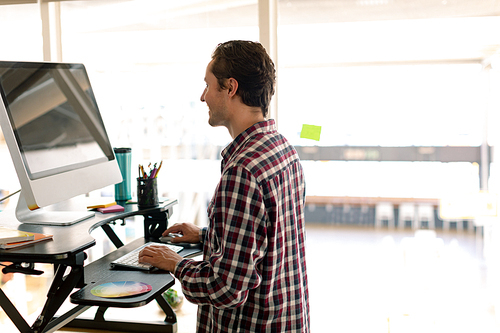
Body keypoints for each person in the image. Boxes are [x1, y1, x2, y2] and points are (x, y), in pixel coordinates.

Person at [139, 40, 310, 332]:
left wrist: (175, 264)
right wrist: (208, 237)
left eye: (208, 85)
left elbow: (226, 288)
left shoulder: (243, 171)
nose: (203, 96)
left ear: (230, 88)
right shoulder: (282, 149)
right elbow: (264, 245)